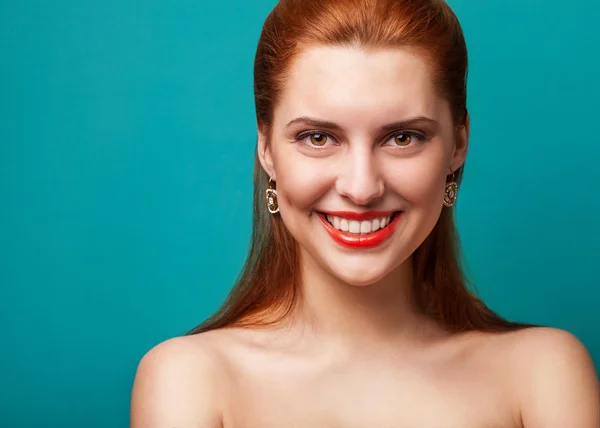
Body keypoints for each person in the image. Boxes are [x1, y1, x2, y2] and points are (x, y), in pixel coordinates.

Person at [130, 0, 600, 426]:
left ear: (458, 144)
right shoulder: (190, 380)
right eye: (318, 138)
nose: (361, 188)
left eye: (402, 137)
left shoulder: (543, 374)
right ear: (267, 149)